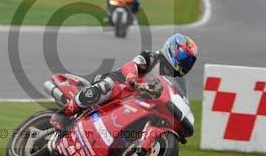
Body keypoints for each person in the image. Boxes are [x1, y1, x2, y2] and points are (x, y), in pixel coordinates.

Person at [50, 34, 198, 131]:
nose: (185, 64)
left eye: (188, 62)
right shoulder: (152, 58)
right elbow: (131, 65)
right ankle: (62, 115)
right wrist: (131, 78)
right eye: (184, 59)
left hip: (138, 106)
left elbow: (180, 100)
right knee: (106, 88)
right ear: (174, 50)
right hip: (120, 86)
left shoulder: (177, 82)